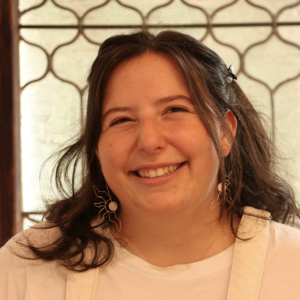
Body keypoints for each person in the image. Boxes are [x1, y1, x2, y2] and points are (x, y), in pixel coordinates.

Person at [0, 30, 300, 300]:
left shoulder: (291, 266)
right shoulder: (26, 267)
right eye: (122, 120)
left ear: (224, 133)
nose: (149, 141)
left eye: (174, 109)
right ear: (97, 148)